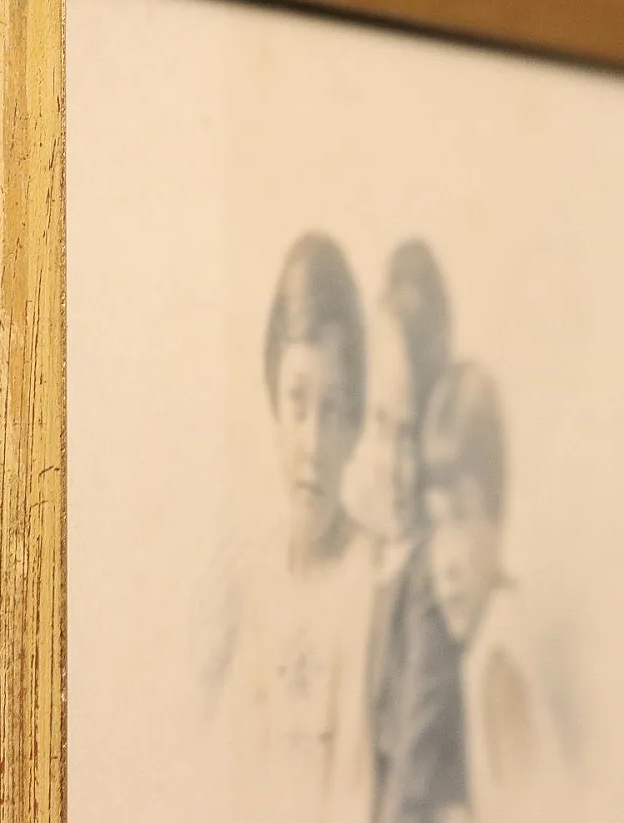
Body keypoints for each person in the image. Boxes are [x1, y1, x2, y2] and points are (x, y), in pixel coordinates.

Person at [223, 232, 377, 823]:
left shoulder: (367, 582)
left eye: (334, 409)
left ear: (355, 423)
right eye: (298, 403)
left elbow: (354, 794)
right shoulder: (261, 579)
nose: (313, 443)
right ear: (273, 402)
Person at [352, 241, 468, 823]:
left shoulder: (433, 583)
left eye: (411, 434)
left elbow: (411, 790)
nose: (394, 469)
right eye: (380, 424)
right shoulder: (377, 559)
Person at [420, 362, 562, 823]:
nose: (446, 563)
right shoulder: (489, 637)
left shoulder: (499, 661)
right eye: (435, 527)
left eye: (461, 518)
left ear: (497, 523)